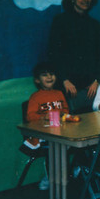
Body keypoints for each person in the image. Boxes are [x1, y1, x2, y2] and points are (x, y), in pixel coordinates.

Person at [48, 0, 100, 114]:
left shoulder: (95, 24)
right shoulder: (60, 21)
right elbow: (53, 53)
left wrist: (96, 80)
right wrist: (64, 80)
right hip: (67, 85)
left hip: (90, 86)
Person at [24, 62, 69, 190]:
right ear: (37, 80)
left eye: (52, 74)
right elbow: (30, 116)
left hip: (61, 130)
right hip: (44, 133)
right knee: (54, 147)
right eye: (45, 75)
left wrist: (63, 113)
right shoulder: (36, 97)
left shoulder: (59, 93)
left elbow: (66, 108)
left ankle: (69, 173)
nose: (49, 77)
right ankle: (50, 177)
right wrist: (43, 117)